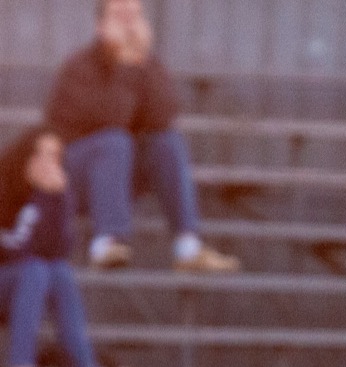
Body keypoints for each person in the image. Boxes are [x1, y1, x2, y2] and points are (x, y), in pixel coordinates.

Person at [46, 0, 239, 273]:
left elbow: (164, 117)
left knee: (167, 142)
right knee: (115, 141)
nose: (128, 24)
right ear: (100, 26)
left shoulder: (143, 62)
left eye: (134, 16)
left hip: (119, 174)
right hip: (72, 175)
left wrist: (143, 61)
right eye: (119, 16)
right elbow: (111, 119)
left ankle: (188, 248)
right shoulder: (79, 67)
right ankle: (106, 242)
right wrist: (126, 65)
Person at [0, 127, 104, 367]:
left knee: (60, 271)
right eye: (41, 155)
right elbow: (12, 249)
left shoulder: (47, 196)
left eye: (54, 157)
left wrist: (58, 198)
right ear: (25, 156)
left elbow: (58, 250)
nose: (48, 164)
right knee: (35, 269)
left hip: (24, 281)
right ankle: (21, 365)